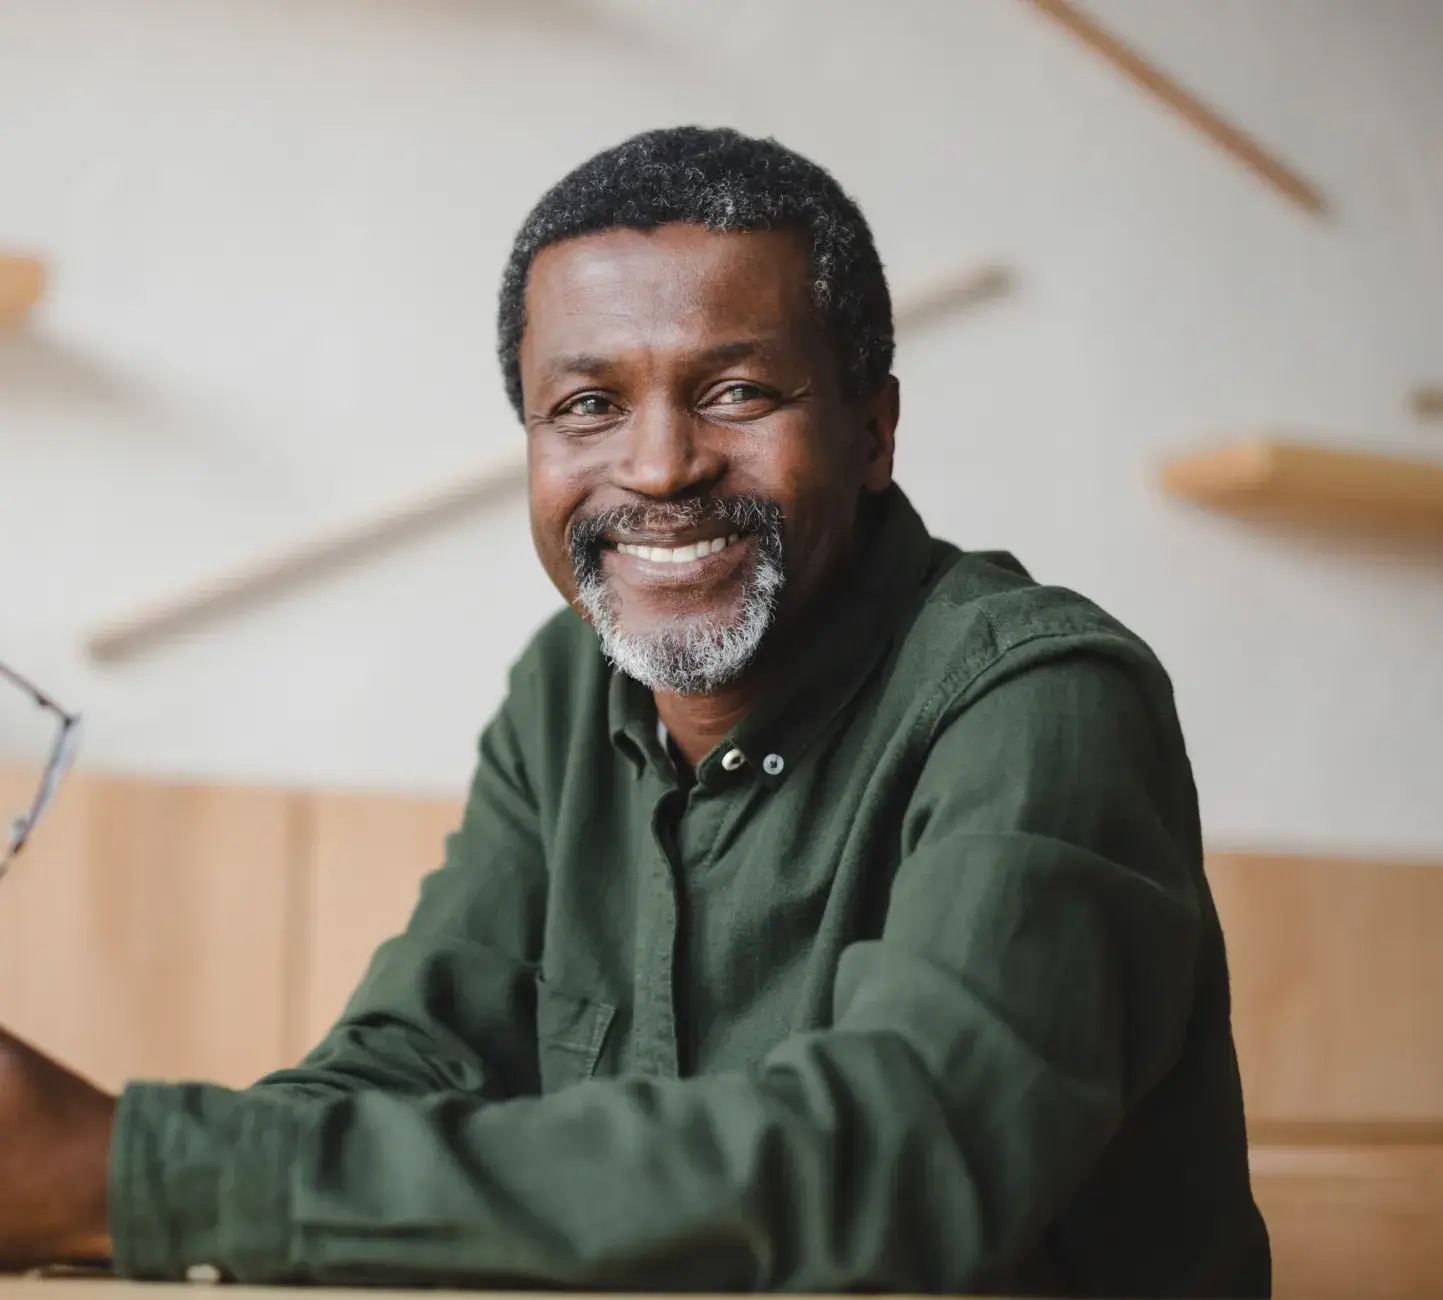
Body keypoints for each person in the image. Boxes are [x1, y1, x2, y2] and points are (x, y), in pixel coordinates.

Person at [0, 126, 1270, 1295]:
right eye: (588, 406)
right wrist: (96, 1203)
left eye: (736, 392)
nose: (658, 467)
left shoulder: (1039, 699)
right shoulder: (567, 689)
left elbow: (893, 1163)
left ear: (874, 432)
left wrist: (129, 1174)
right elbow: (412, 1061)